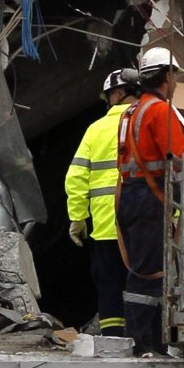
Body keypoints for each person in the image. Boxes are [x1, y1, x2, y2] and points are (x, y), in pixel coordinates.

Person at [116, 47, 184, 357]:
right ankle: (147, 343)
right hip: (150, 197)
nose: (176, 81)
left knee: (143, 270)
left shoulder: (131, 110)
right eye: (174, 75)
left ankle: (147, 340)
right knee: (151, 273)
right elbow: (181, 158)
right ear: (166, 75)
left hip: (132, 195)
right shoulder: (160, 111)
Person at [64, 70, 138, 337]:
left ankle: (113, 341)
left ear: (117, 95)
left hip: (106, 227)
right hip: (144, 224)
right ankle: (144, 339)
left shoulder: (96, 130)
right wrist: (173, 216)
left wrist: (78, 217)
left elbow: (76, 176)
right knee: (144, 285)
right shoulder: (152, 122)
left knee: (109, 286)